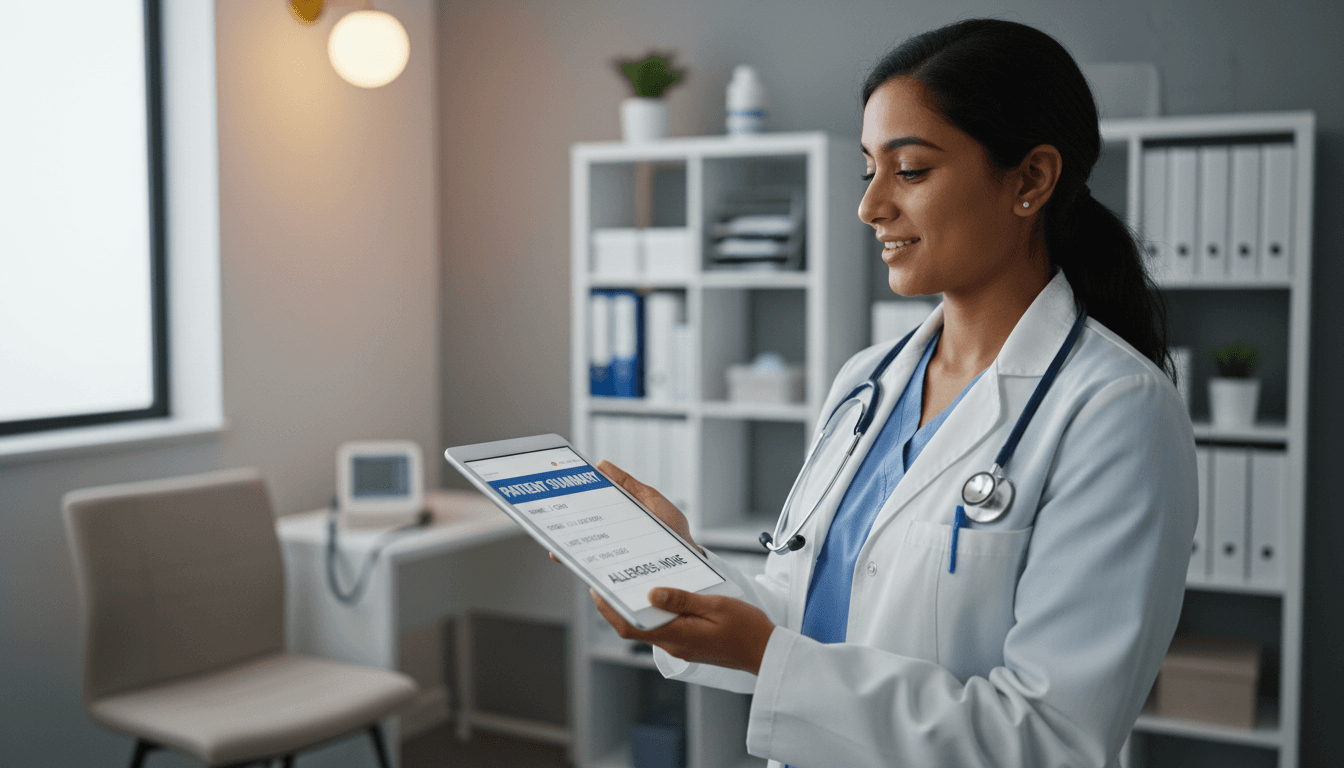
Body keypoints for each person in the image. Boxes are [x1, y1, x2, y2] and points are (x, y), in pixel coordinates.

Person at [591, 18, 1197, 768]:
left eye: (909, 170)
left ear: (1031, 180)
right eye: (866, 170)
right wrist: (675, 569)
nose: (869, 205)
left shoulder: (1115, 411)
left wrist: (770, 661)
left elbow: (1048, 740)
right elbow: (802, 610)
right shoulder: (865, 385)